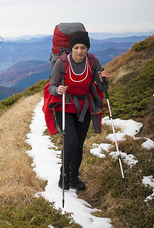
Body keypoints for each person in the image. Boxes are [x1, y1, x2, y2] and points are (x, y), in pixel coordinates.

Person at [47, 31, 109, 190]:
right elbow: (52, 86)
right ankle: (64, 175)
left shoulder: (93, 61)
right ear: (71, 48)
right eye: (76, 47)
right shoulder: (62, 63)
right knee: (71, 140)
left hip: (84, 107)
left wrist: (104, 80)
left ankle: (74, 177)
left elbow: (100, 86)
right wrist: (58, 90)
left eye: (83, 47)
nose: (80, 51)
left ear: (87, 48)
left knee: (79, 144)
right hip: (64, 106)